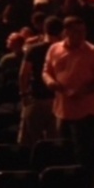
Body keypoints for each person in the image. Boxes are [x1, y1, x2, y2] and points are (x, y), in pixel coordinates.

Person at [42, 16, 94, 165]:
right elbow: (46, 71)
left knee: (82, 152)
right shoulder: (54, 49)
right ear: (66, 32)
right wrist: (51, 82)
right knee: (63, 149)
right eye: (76, 32)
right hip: (62, 109)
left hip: (85, 111)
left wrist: (84, 91)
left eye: (83, 31)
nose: (81, 35)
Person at [18, 15, 63, 147]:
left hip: (36, 98)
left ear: (44, 29)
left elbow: (23, 74)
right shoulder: (63, 50)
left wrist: (24, 94)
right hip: (56, 99)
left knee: (28, 140)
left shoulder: (34, 49)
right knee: (53, 141)